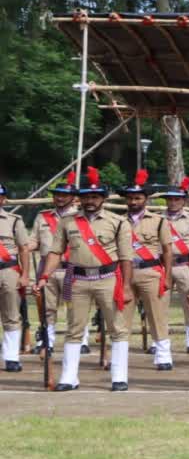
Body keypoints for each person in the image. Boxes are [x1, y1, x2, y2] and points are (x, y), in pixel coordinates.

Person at [36, 167, 134, 390]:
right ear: (79, 199)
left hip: (108, 278)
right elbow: (55, 252)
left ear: (102, 198)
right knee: (74, 328)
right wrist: (44, 276)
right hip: (78, 279)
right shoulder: (68, 222)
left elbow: (126, 258)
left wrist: (126, 287)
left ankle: (119, 377)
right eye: (85, 197)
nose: (90, 201)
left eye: (95, 196)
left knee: (117, 328)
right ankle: (69, 378)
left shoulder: (118, 222)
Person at [121, 169, 175, 370]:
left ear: (146, 199)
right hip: (124, 273)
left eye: (137, 198)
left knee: (156, 314)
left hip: (150, 271)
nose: (133, 202)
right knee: (122, 315)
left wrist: (167, 276)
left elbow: (168, 251)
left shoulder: (159, 221)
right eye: (130, 198)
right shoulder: (118, 221)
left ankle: (163, 355)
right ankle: (120, 354)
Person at [29, 175, 81, 355]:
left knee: (74, 307)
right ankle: (47, 341)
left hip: (72, 269)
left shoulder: (80, 218)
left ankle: (80, 340)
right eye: (57, 194)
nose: (59, 198)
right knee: (47, 307)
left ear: (73, 197)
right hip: (47, 270)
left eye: (64, 195)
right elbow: (34, 241)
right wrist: (18, 248)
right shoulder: (42, 217)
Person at [162, 176, 189, 355]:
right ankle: (160, 340)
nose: (172, 202)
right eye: (170, 199)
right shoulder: (158, 219)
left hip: (185, 265)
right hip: (162, 266)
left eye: (176, 199)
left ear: (184, 200)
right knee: (160, 303)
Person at [0, 181, 32, 371]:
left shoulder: (14, 220)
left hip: (8, 270)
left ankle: (11, 357)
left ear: (3, 199)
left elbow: (24, 249)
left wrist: (26, 275)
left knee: (12, 314)